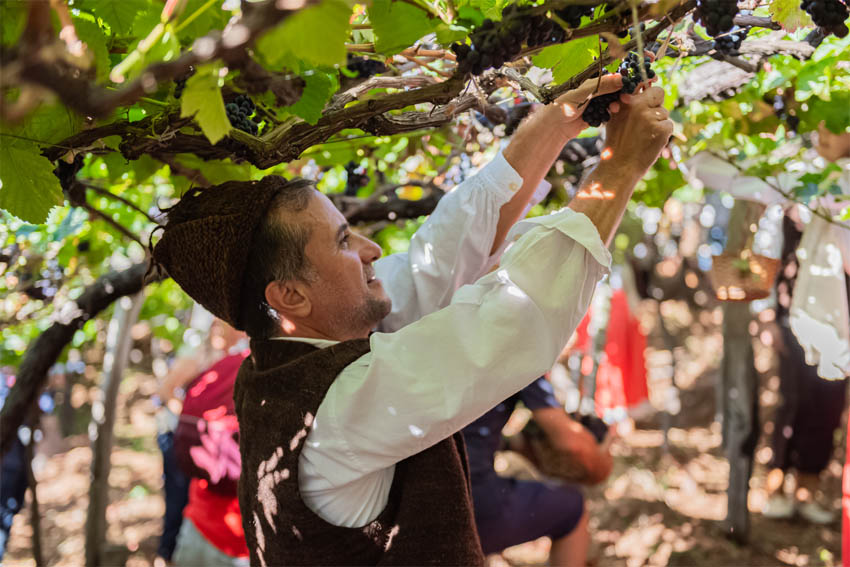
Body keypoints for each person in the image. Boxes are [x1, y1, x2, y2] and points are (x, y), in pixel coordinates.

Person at [152, 73, 673, 565]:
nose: (371, 247)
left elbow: (443, 256)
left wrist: (559, 121)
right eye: (341, 242)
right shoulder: (336, 412)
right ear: (290, 296)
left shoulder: (304, 347)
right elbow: (511, 322)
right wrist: (619, 169)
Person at [763, 124, 850, 525]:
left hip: (841, 318)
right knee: (792, 398)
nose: (825, 134)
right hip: (794, 309)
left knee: (828, 402)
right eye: (821, 126)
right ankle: (775, 486)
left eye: (837, 127)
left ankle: (808, 487)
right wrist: (771, 314)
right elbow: (777, 251)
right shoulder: (798, 180)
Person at [462, 376, 612, 566]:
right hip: (468, 504)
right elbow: (571, 444)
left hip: (418, 490)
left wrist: (511, 444)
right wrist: (602, 463)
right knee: (573, 507)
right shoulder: (517, 352)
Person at [154, 317, 246, 564]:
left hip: (209, 443)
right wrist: (190, 416)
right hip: (181, 436)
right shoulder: (199, 356)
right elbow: (164, 392)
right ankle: (166, 552)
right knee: (177, 496)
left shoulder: (233, 359)